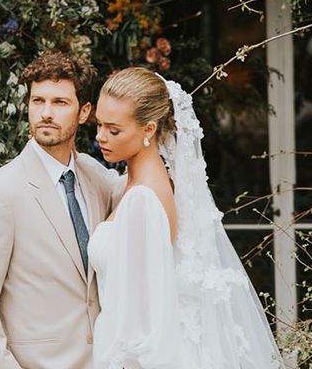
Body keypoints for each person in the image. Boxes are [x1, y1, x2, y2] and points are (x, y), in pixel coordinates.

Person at [88, 67, 285, 369]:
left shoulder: (143, 199)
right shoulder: (143, 182)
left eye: (114, 130)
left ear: (149, 130)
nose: (101, 136)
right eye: (99, 124)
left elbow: (144, 321)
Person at [0, 51, 121, 369]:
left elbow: (141, 195)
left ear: (84, 112)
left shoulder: (95, 178)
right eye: (37, 101)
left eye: (59, 103)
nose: (45, 113)